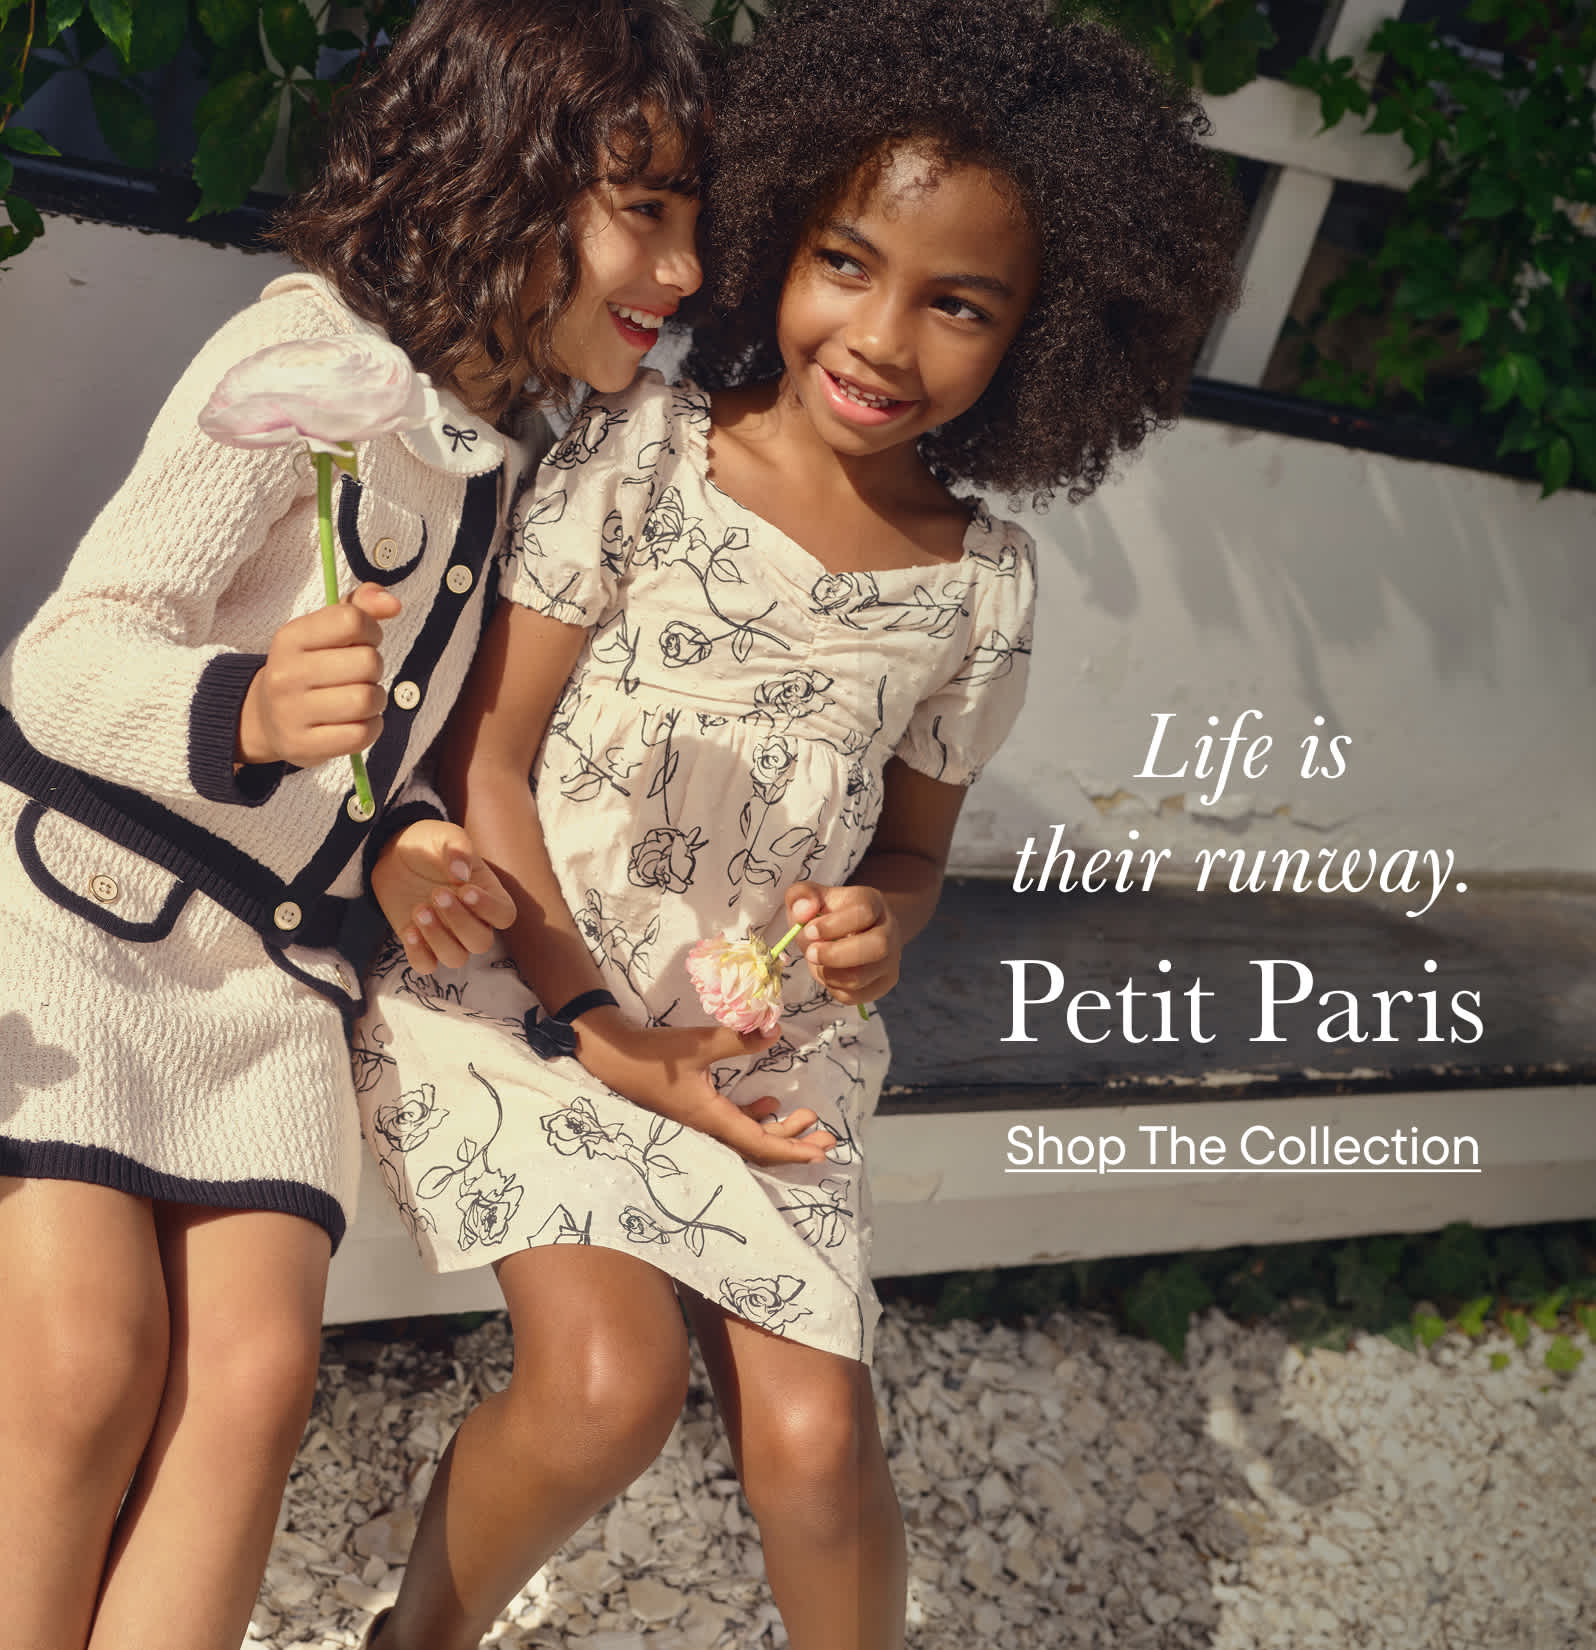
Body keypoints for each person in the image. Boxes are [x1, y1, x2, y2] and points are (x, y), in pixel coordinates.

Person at [359, 1, 1242, 1645]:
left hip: (764, 1039)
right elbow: (490, 761)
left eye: (959, 303)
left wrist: (882, 922)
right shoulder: (646, 453)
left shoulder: (979, 587)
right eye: (847, 261)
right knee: (609, 1386)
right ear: (778, 236)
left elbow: (913, 854)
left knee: (821, 1444)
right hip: (536, 987)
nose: (884, 338)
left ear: (1046, 336)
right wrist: (599, 1021)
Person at [0, 2, 710, 1646]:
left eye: (694, 223)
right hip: (83, 918)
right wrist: (243, 713)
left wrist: (396, 838)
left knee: (254, 1385)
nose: (683, 270)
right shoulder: (301, 365)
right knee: (87, 1364)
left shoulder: (514, 458)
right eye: (646, 211)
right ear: (505, 171)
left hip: (272, 987)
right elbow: (65, 659)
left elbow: (396, 743)